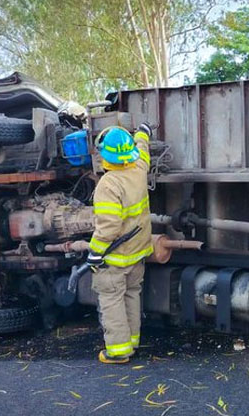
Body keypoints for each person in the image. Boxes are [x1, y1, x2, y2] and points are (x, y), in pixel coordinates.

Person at [88, 123, 153, 364]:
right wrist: (142, 133)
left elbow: (108, 227)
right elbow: (142, 150)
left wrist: (94, 252)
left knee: (112, 298)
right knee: (132, 294)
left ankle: (118, 351)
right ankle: (132, 342)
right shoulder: (139, 168)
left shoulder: (108, 184)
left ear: (105, 155)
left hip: (115, 256)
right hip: (138, 250)